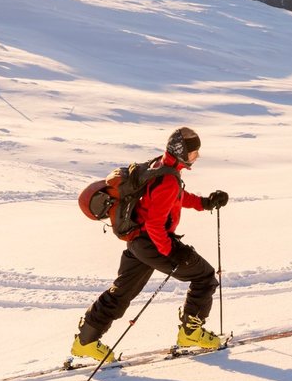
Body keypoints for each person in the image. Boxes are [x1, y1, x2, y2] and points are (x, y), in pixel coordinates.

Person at [71, 126, 231, 364]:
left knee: (122, 292)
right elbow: (156, 223)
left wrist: (205, 203)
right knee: (204, 276)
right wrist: (171, 252)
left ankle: (86, 340)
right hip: (153, 242)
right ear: (180, 152)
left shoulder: (160, 167)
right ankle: (191, 333)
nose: (195, 158)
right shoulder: (168, 178)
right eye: (193, 153)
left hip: (138, 241)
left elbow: (175, 198)